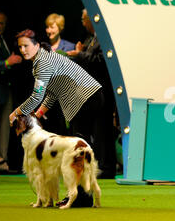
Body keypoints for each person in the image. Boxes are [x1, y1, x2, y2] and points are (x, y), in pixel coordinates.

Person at [8, 29, 106, 206]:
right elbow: (52, 93)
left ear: (36, 45)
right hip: (89, 96)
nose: (23, 50)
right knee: (81, 145)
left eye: (26, 45)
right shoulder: (43, 58)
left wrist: (17, 112)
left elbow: (37, 96)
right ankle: (83, 196)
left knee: (79, 147)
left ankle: (81, 198)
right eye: (20, 46)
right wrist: (38, 113)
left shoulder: (42, 62)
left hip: (84, 97)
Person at [67, 9, 117, 179]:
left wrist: (80, 54)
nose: (82, 23)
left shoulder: (104, 38)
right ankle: (99, 164)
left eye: (83, 19)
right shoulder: (90, 39)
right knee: (96, 129)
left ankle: (107, 166)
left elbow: (102, 61)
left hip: (104, 91)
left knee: (103, 129)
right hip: (91, 92)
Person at [0, 11, 22, 173]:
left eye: (1, 23)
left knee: (4, 129)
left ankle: (0, 162)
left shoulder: (4, 41)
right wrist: (7, 62)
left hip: (5, 90)